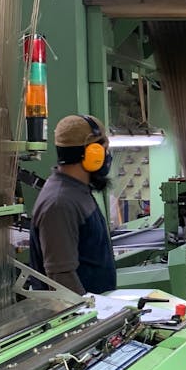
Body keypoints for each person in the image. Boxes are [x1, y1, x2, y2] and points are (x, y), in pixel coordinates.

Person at [30, 114, 117, 295]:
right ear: (92, 153)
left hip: (97, 310)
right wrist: (89, 317)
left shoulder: (77, 190)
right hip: (81, 317)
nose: (107, 157)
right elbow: (61, 278)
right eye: (104, 150)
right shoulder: (60, 202)